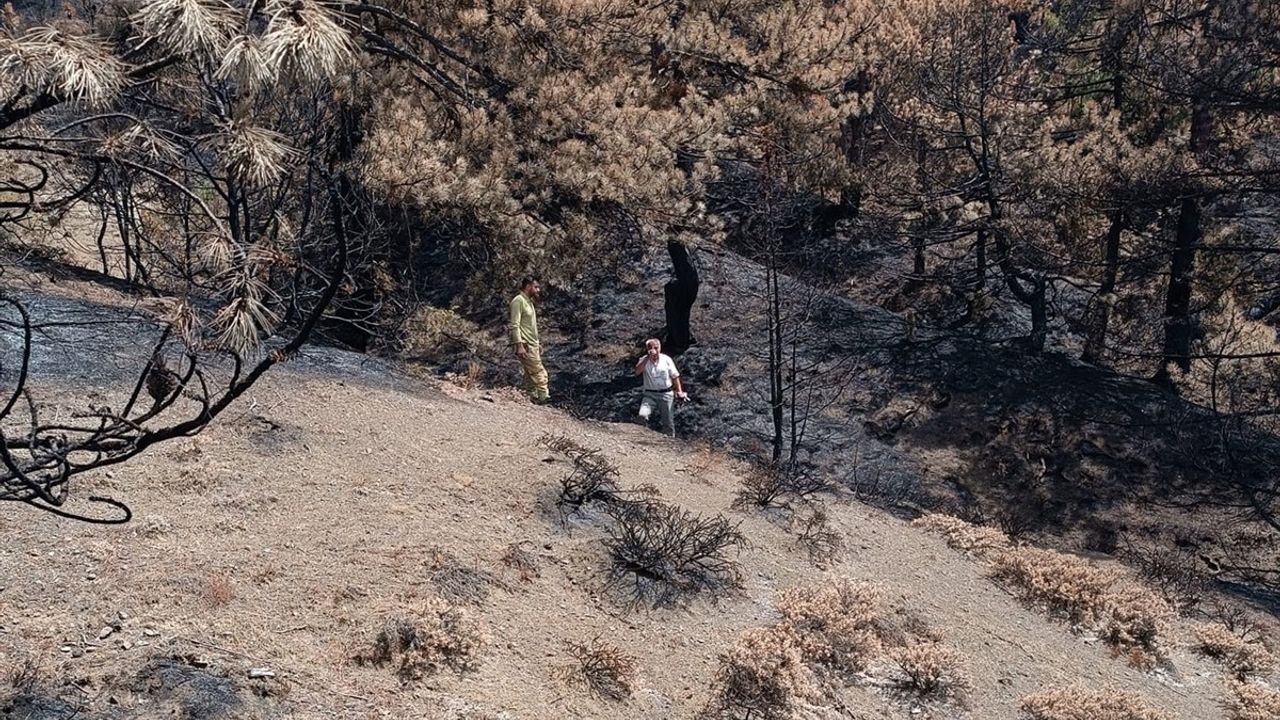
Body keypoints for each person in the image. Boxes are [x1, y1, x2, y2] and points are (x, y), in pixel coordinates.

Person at [634, 338, 687, 437]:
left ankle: (670, 443)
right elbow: (637, 372)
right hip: (650, 394)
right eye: (650, 347)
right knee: (642, 415)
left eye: (656, 348)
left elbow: (675, 376)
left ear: (660, 348)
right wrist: (647, 358)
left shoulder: (666, 359)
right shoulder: (643, 360)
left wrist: (679, 391)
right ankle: (642, 437)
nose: (653, 350)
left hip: (666, 394)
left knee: (668, 423)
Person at [508, 276, 549, 403]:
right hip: (526, 345)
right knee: (539, 372)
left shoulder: (529, 302)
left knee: (529, 374)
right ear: (528, 286)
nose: (538, 290)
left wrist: (537, 343)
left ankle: (533, 398)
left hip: (533, 344)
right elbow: (514, 325)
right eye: (536, 287)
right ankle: (544, 399)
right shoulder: (518, 301)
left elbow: (530, 325)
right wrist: (519, 346)